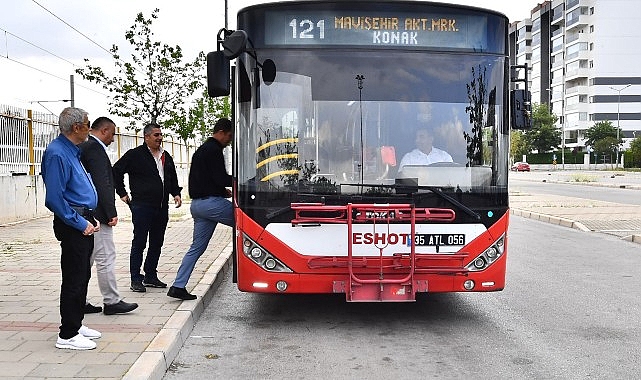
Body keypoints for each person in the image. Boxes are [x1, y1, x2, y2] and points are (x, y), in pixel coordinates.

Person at [41, 107, 102, 350]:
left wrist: (92, 217)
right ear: (76, 127)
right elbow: (54, 199)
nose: (89, 128)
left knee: (82, 275)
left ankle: (75, 323)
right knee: (74, 278)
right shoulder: (57, 153)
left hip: (84, 220)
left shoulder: (71, 151)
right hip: (73, 224)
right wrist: (80, 222)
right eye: (87, 124)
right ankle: (67, 335)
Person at [167, 118, 235, 300]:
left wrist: (222, 190)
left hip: (197, 205)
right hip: (211, 204)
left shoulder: (202, 150)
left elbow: (206, 178)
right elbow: (220, 178)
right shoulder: (214, 150)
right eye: (229, 136)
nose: (230, 140)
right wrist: (242, 180)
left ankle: (178, 285)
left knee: (196, 248)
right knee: (248, 223)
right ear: (220, 132)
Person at [79, 117, 139, 315]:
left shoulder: (84, 146)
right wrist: (111, 212)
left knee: (86, 258)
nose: (113, 139)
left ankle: (79, 300)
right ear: (104, 130)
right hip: (97, 215)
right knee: (105, 257)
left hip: (85, 213)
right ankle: (112, 301)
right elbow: (103, 182)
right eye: (112, 134)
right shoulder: (95, 149)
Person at [113, 123, 182, 293]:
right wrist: (122, 192)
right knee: (139, 242)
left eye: (161, 135)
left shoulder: (165, 156)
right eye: (156, 135)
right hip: (142, 206)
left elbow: (170, 177)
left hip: (161, 207)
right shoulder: (135, 155)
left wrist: (176, 193)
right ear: (146, 137)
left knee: (157, 242)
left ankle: (150, 275)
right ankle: (136, 278)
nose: (159, 138)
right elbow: (116, 171)